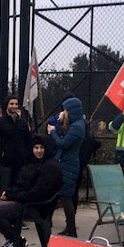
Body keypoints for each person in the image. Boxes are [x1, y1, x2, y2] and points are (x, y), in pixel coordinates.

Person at [0, 134, 62, 247]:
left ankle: (16, 240)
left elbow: (37, 193)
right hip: (22, 199)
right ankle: (14, 239)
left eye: (41, 148)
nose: (39, 151)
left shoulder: (50, 167)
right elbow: (21, 184)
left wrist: (12, 196)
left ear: (47, 148)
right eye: (36, 148)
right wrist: (8, 192)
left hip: (34, 206)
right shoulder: (32, 163)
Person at [47, 97, 85, 238]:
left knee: (66, 197)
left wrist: (52, 132)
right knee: (64, 196)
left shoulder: (77, 127)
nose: (63, 113)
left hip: (68, 165)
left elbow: (63, 143)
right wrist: (58, 123)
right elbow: (63, 132)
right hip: (65, 163)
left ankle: (71, 229)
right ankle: (69, 227)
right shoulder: (76, 124)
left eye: (65, 110)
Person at [0, 95, 31, 193]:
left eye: (16, 104)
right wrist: (1, 153)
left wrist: (26, 154)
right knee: (5, 191)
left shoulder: (22, 122)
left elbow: (29, 140)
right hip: (5, 164)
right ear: (7, 105)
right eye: (11, 104)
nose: (14, 106)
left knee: (20, 190)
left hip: (21, 163)